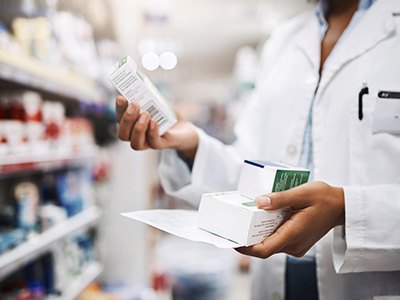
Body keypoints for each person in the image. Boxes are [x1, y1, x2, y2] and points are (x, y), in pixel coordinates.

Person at [115, 0, 400, 299]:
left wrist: (346, 209)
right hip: (276, 279)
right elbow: (250, 168)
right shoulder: (282, 41)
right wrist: (193, 147)